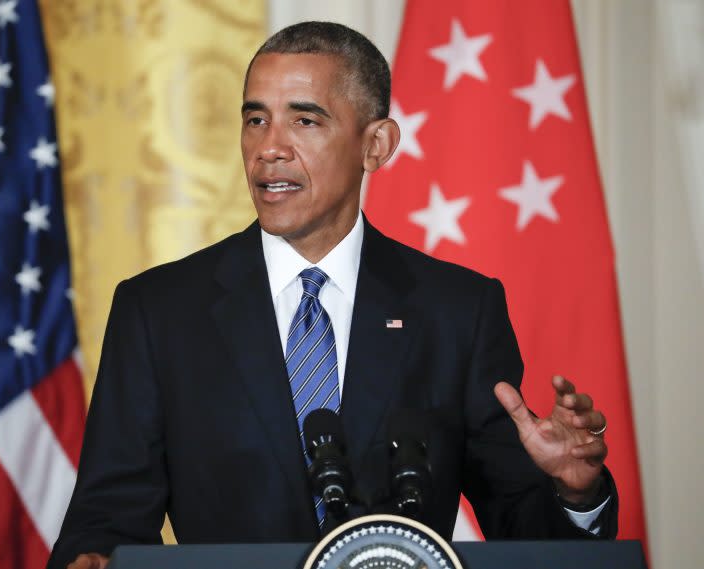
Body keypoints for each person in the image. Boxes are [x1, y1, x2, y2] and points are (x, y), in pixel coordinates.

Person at [49, 21, 617, 569]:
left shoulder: (457, 312)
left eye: (304, 121)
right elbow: (107, 517)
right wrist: (93, 559)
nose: (269, 149)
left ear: (376, 144)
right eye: (255, 120)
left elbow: (522, 526)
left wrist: (576, 494)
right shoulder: (160, 311)